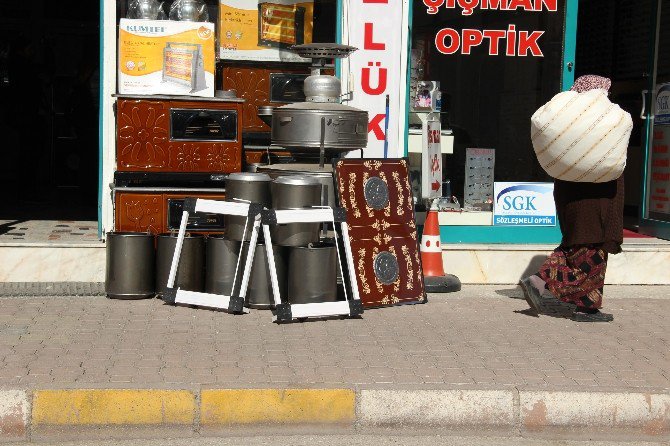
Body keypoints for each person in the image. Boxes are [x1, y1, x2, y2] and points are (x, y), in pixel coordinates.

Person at [520, 75, 625, 323]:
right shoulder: (604, 121)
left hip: (569, 197)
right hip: (598, 199)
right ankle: (584, 307)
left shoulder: (570, 123)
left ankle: (539, 282)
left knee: (573, 246)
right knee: (592, 253)